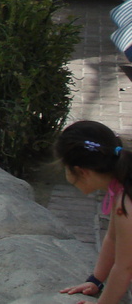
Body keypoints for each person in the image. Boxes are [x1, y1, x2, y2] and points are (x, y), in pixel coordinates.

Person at [57, 120, 132, 303]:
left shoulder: (125, 204)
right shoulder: (121, 187)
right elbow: (113, 239)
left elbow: (124, 268)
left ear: (81, 171)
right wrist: (96, 280)